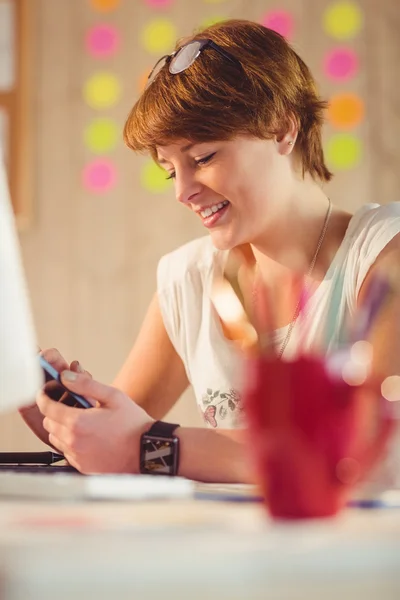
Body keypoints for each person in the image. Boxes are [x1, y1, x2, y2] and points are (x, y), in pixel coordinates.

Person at [21, 19, 400, 482]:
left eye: (202, 158)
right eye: (169, 170)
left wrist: (152, 446)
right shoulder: (191, 279)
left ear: (283, 129)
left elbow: (366, 445)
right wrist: (40, 394)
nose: (182, 191)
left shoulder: (383, 252)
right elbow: (111, 442)